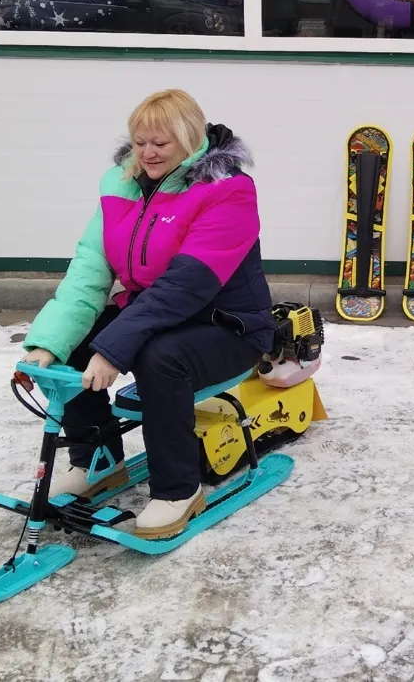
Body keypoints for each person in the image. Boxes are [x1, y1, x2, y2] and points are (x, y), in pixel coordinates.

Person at [22, 89, 275, 540]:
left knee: (161, 357)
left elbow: (186, 285)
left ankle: (179, 490)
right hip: (156, 316)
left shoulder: (228, 191)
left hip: (228, 327)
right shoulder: (122, 185)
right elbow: (90, 268)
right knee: (76, 344)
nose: (148, 153)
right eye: (140, 142)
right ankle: (97, 460)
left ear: (190, 139)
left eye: (161, 142)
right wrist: (49, 342)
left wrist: (114, 350)